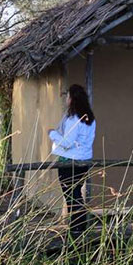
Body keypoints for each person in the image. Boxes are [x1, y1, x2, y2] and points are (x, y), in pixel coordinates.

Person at [48, 84, 96, 239]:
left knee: (71, 195)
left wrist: (53, 134)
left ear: (72, 99)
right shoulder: (90, 118)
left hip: (70, 161)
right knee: (76, 194)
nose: (66, 99)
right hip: (84, 160)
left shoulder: (73, 119)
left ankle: (76, 229)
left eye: (67, 96)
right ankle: (79, 227)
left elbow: (67, 142)